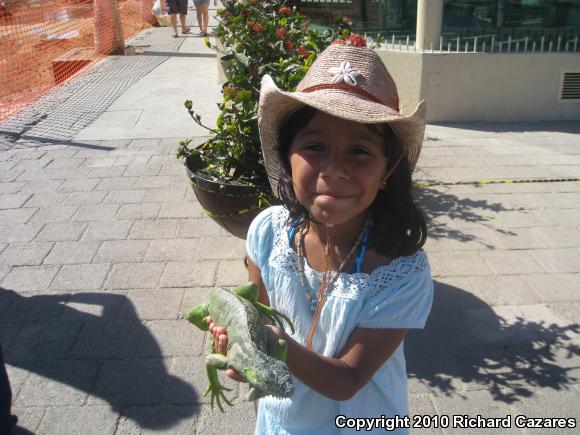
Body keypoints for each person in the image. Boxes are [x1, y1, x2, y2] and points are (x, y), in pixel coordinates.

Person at [209, 40, 434, 434]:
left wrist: (275, 342)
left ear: (388, 170)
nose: (335, 170)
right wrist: (242, 350)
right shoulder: (268, 232)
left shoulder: (402, 271)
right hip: (283, 423)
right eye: (315, 147)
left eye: (360, 151)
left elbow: (347, 380)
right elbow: (258, 318)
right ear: (286, 156)